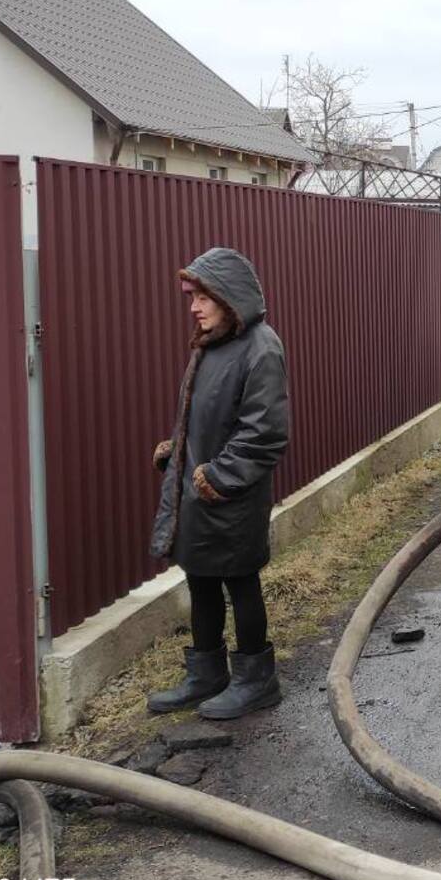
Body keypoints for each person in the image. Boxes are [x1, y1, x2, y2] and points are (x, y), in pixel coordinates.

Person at [147, 247, 291, 718]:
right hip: (198, 490)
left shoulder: (261, 347)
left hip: (231, 494)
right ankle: (206, 674)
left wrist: (216, 477)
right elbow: (204, 416)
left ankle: (256, 680)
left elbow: (264, 432)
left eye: (203, 297)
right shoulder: (211, 344)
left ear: (229, 298)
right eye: (193, 297)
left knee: (239, 581)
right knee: (201, 579)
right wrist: (179, 451)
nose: (194, 307)